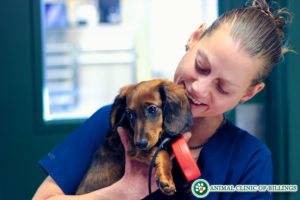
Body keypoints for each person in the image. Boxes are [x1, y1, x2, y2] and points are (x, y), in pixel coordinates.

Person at [33, 0, 292, 199]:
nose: (199, 89)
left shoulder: (250, 160)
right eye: (201, 66)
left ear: (249, 93)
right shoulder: (116, 119)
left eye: (222, 88)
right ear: (194, 38)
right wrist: (122, 193)